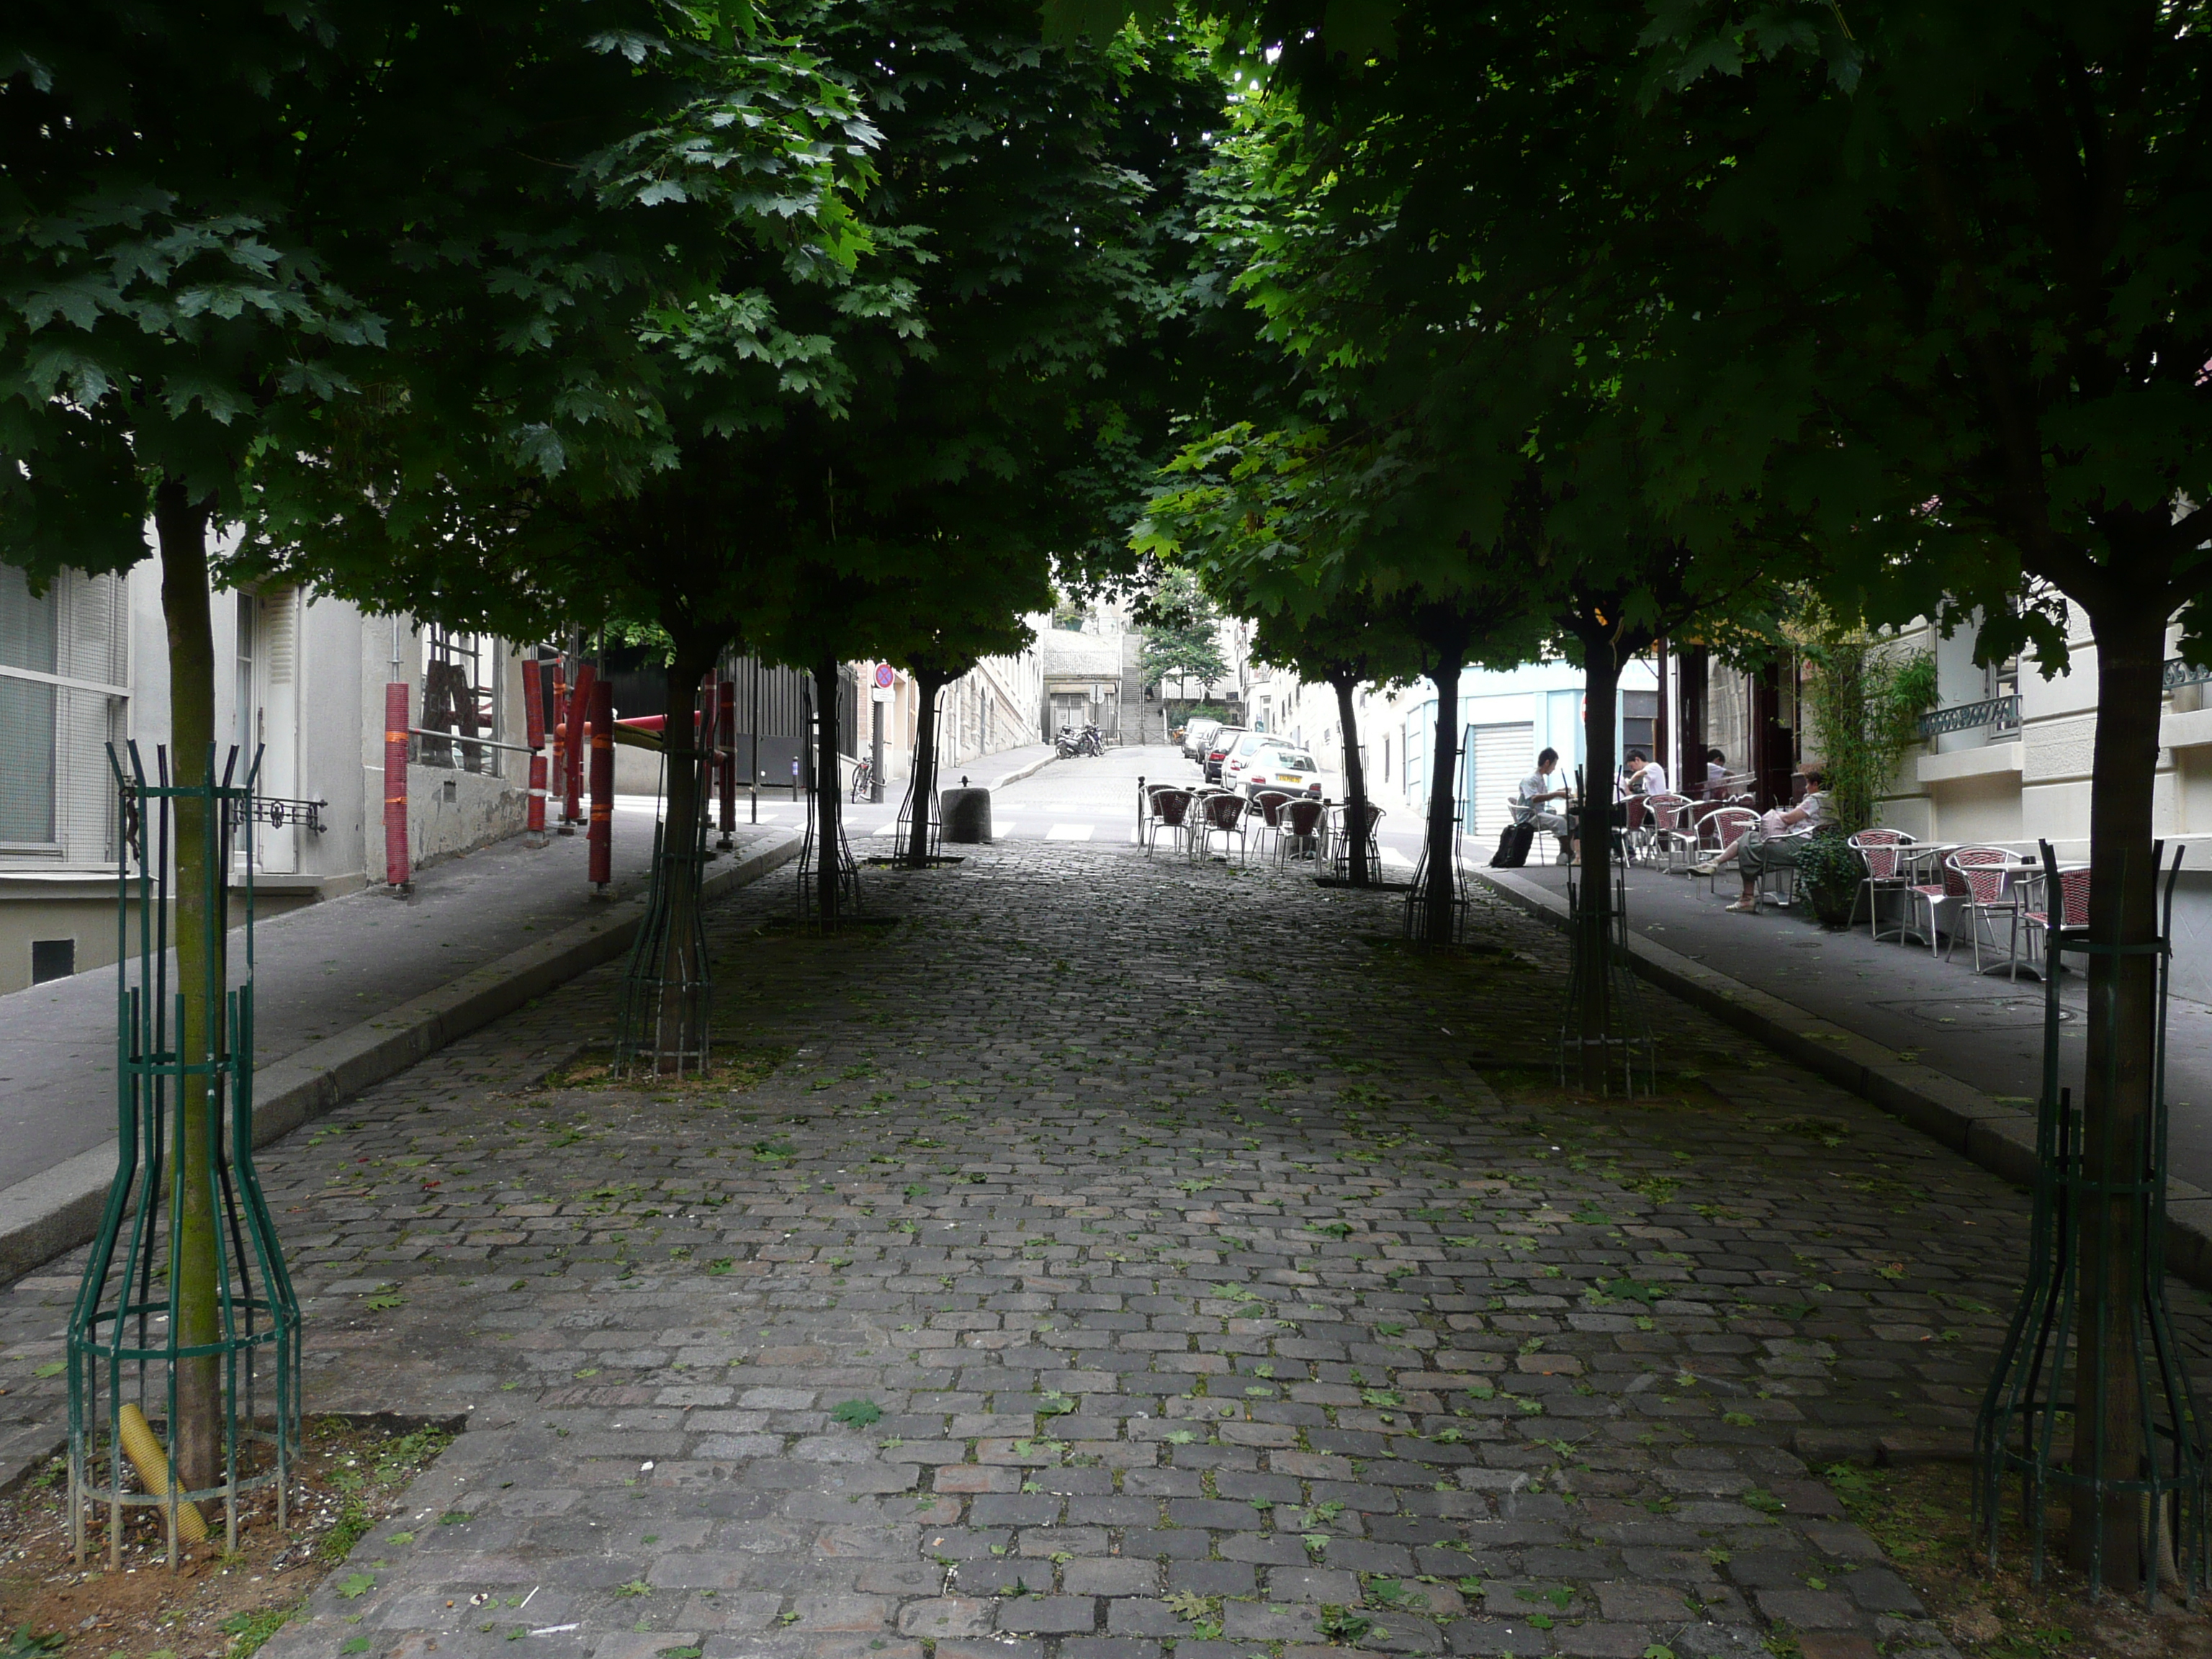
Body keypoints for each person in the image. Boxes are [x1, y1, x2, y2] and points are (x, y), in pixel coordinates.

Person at [1690, 765, 1834, 914]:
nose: (1806, 787)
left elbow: (1789, 818)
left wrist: (1776, 816)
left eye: (1807, 783)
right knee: (1749, 839)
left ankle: (1745, 896)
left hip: (1798, 845)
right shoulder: (1832, 800)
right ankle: (1715, 864)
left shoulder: (1815, 799)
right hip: (1810, 844)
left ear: (1816, 785)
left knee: (1747, 845)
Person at [1514, 748, 1577, 861]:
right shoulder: (1531, 779)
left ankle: (1564, 853)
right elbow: (1534, 798)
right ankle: (1568, 853)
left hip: (1539, 813)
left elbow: (1544, 795)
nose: (1554, 768)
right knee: (1560, 821)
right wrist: (1557, 794)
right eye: (1554, 764)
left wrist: (1559, 792)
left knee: (1570, 819)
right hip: (1530, 816)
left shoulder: (1539, 778)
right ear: (1547, 763)